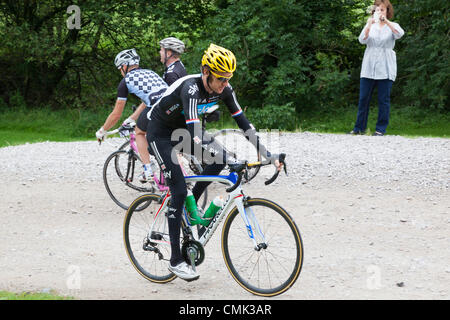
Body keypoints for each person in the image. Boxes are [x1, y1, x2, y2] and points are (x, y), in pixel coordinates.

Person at [144, 43, 284, 281]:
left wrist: (268, 154)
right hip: (160, 133)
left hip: (183, 130)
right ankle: (176, 261)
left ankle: (193, 206)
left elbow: (245, 124)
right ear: (206, 72)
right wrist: (232, 159)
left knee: (218, 161)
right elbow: (196, 134)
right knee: (177, 188)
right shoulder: (191, 89)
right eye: (221, 78)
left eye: (229, 78)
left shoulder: (225, 90)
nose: (225, 84)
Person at [96, 49, 168, 182]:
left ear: (124, 66)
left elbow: (116, 114)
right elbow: (147, 102)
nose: (121, 72)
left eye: (119, 69)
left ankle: (148, 170)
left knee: (139, 132)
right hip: (173, 106)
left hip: (158, 109)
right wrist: (130, 119)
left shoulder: (126, 80)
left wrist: (102, 130)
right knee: (162, 140)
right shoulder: (150, 73)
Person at [348, 0, 404, 136]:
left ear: (387, 11)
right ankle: (359, 128)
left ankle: (380, 129)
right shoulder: (370, 26)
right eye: (378, 9)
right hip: (368, 67)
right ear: (374, 11)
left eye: (383, 9)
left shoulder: (393, 25)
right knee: (363, 98)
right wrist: (368, 24)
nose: (380, 12)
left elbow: (399, 34)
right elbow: (362, 40)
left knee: (383, 100)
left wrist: (386, 22)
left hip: (385, 68)